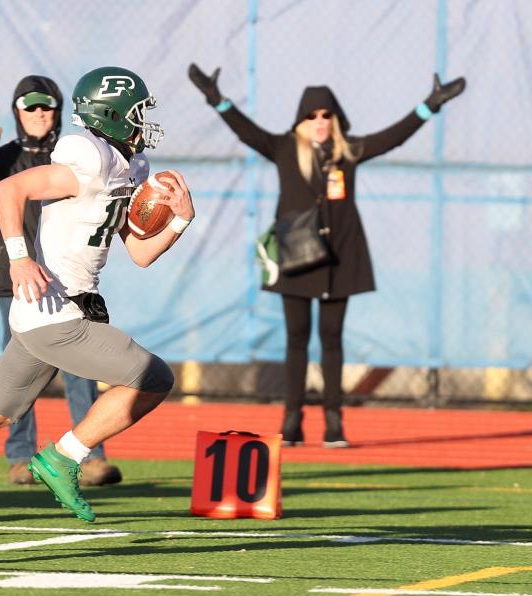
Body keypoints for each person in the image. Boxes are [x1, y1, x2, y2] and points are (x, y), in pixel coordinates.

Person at [0, 66, 194, 523]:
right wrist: (19, 257)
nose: (145, 121)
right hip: (57, 311)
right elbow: (9, 188)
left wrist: (181, 220)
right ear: (113, 116)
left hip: (47, 312)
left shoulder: (130, 165)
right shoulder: (89, 156)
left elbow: (141, 253)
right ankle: (65, 457)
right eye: (138, 113)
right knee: (154, 378)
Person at [188, 64, 466, 448]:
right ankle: (292, 420)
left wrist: (430, 105)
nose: (320, 121)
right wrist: (217, 99)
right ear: (301, 119)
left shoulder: (347, 150)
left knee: (332, 339)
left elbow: (394, 137)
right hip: (297, 256)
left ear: (335, 118)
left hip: (340, 257)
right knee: (296, 339)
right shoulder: (285, 148)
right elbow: (245, 131)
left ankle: (334, 422)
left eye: (326, 115)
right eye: (312, 115)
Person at [0, 75, 122, 487]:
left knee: (82, 370)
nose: (39, 114)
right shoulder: (4, 155)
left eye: (46, 105)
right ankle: (20, 456)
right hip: (17, 281)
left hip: (69, 280)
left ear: (59, 110)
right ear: (17, 111)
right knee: (18, 377)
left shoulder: (74, 155)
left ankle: (89, 456)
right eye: (30, 106)